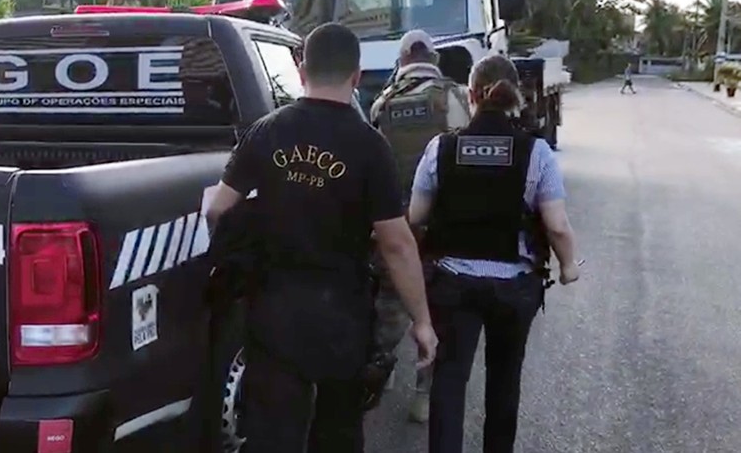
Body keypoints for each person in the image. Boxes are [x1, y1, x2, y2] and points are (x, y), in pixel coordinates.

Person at [205, 23, 438, 453]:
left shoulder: (265, 131)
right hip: (341, 316)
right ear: (356, 76)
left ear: (301, 70)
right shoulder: (371, 146)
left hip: (274, 310)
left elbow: (218, 208)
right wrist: (422, 321)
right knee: (338, 434)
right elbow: (397, 244)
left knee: (272, 435)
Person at [406, 54, 581, 453]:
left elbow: (414, 215)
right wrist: (569, 264)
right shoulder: (536, 152)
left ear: (471, 94)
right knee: (504, 380)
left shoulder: (441, 148)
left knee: (449, 380)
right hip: (514, 288)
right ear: (516, 96)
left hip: (452, 284)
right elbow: (556, 225)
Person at [367, 29, 470, 424]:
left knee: (390, 308)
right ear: (433, 58)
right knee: (437, 312)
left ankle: (380, 371)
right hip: (443, 227)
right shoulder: (455, 99)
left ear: (402, 58)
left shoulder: (383, 104)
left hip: (395, 224)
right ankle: (424, 396)